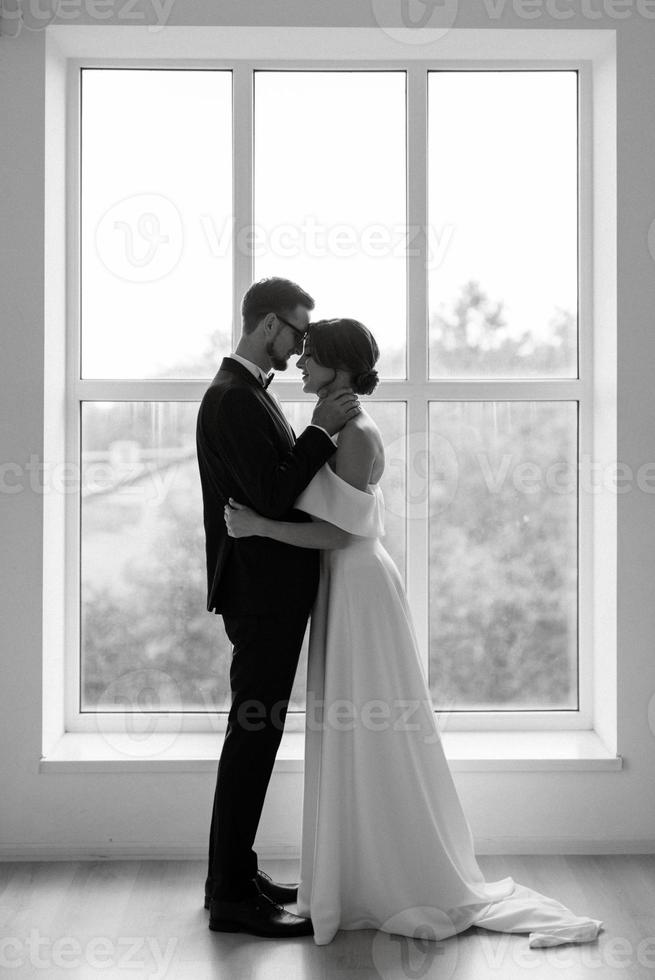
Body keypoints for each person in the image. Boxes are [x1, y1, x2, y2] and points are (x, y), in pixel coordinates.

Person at [224, 317, 605, 949]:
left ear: (338, 366)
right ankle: (355, 868)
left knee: (370, 724)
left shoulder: (353, 435)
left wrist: (258, 530)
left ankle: (388, 873)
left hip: (357, 583)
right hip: (342, 585)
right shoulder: (332, 425)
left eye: (311, 356)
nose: (300, 364)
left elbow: (345, 534)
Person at [196, 279, 360, 938]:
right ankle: (230, 893)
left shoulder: (246, 394)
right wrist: (320, 431)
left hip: (266, 589)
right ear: (268, 325)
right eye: (295, 332)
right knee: (252, 738)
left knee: (254, 736)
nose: (299, 351)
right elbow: (270, 495)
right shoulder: (234, 399)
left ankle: (234, 873)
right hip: (260, 593)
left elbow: (272, 484)